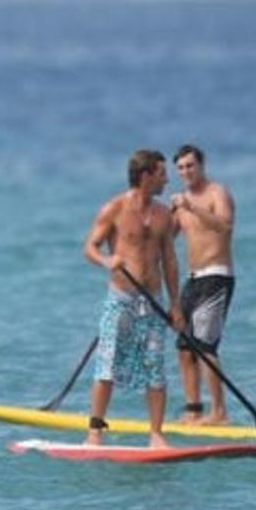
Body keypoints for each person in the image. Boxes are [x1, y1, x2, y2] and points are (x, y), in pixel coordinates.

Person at [82, 149, 182, 448]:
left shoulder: (164, 214)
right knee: (107, 364)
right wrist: (106, 261)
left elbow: (170, 261)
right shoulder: (113, 209)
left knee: (155, 365)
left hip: (152, 301)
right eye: (162, 173)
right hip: (121, 298)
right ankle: (95, 432)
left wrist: (175, 305)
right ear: (146, 176)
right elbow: (90, 247)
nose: (167, 179)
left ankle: (156, 434)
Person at [170, 144, 235, 425]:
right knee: (185, 348)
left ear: (202, 165)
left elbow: (224, 226)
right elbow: (166, 237)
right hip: (193, 279)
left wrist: (192, 207)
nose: (186, 171)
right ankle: (193, 409)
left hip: (217, 275)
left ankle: (219, 413)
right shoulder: (179, 203)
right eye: (181, 168)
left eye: (190, 165)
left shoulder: (216, 193)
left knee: (206, 347)